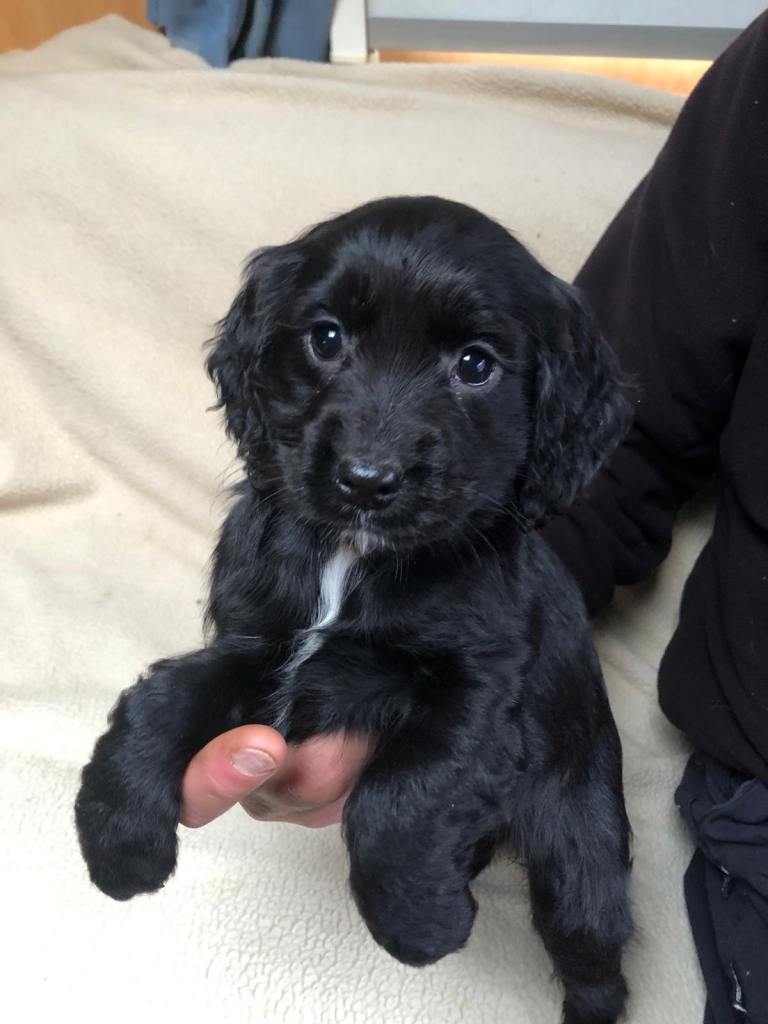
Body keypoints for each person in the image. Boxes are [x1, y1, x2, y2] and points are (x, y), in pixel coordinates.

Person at [181, 12, 768, 1022]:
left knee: (586, 915)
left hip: (567, 744)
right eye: (328, 338)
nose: (370, 455)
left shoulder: (552, 384)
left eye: (469, 364)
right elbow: (611, 452)